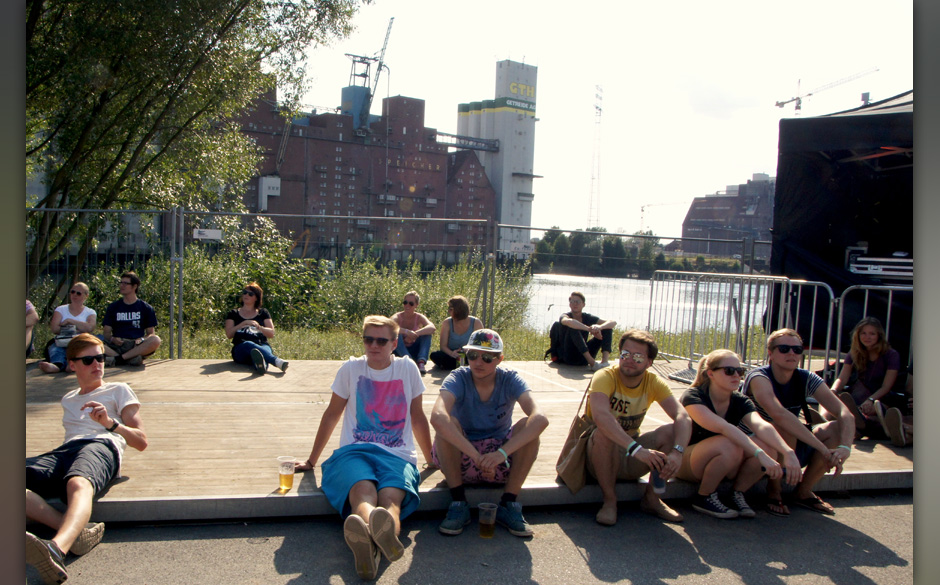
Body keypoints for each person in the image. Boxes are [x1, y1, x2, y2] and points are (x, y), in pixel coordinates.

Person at [294, 315, 432, 580]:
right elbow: (332, 414)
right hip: (355, 451)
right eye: (368, 339)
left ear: (394, 344)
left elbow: (417, 417)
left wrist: (431, 458)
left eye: (381, 340)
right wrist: (312, 461)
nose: (374, 345)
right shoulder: (351, 369)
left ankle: (371, 541)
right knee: (363, 491)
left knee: (392, 498)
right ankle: (383, 536)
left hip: (397, 453)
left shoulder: (408, 369)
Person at [26, 333, 148, 584]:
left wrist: (110, 424)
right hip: (65, 450)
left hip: (102, 446)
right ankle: (76, 532)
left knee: (78, 483)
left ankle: (56, 549)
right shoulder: (68, 399)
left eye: (101, 358)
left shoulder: (119, 389)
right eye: (89, 360)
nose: (97, 364)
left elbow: (141, 441)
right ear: (72, 364)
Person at [430, 328, 549, 537]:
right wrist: (477, 457)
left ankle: (509, 503)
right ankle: (459, 502)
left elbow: (541, 418)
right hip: (463, 455)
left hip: (499, 457)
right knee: (447, 424)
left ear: (499, 359)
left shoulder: (510, 379)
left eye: (487, 357)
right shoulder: (458, 377)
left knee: (528, 427)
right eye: (473, 355)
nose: (478, 362)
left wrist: (499, 455)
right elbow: (437, 416)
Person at [742, 328, 855, 516]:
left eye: (797, 349)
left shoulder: (806, 377)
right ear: (770, 353)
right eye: (784, 349)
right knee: (784, 426)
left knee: (835, 428)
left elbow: (844, 412)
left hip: (790, 445)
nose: (792, 353)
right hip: (759, 446)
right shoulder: (758, 377)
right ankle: (774, 489)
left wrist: (845, 448)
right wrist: (823, 449)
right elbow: (778, 414)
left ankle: (803, 491)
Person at [678, 350, 802, 519]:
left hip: (724, 460)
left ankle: (737, 494)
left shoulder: (739, 400)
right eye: (729, 371)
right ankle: (704, 496)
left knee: (768, 446)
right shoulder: (693, 396)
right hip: (685, 461)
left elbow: (761, 425)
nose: (736, 375)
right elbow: (723, 428)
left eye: (740, 371)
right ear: (711, 374)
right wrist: (760, 454)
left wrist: (787, 452)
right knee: (730, 444)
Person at [584, 329, 691, 526]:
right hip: (597, 456)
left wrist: (678, 452)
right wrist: (636, 449)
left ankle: (652, 498)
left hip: (630, 456)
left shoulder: (653, 382)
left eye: (638, 357)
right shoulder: (605, 376)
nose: (630, 360)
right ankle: (609, 501)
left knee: (671, 431)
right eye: (625, 354)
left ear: (649, 362)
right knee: (604, 433)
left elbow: (682, 416)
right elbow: (601, 416)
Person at [830, 317, 903, 440]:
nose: (867, 337)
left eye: (872, 334)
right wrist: (832, 390)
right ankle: (826, 418)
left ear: (879, 335)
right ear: (858, 335)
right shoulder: (854, 353)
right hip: (860, 395)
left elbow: (886, 386)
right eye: (863, 333)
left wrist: (871, 399)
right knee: (830, 395)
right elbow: (842, 378)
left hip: (881, 396)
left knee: (877, 408)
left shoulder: (891, 355)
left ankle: (858, 423)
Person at [224, 282, 288, 374]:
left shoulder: (263, 313)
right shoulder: (233, 313)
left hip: (261, 344)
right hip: (241, 348)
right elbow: (229, 334)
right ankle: (276, 361)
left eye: (250, 294)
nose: (246, 295)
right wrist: (244, 323)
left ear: (256, 298)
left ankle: (261, 366)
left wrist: (260, 327)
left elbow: (271, 333)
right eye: (245, 292)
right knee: (248, 344)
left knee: (262, 353)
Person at [100, 271, 161, 366]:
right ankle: (127, 359)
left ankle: (119, 359)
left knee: (156, 340)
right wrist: (113, 339)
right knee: (92, 342)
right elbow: (106, 333)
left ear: (134, 286)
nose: (122, 285)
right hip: (116, 345)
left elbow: (150, 334)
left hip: (135, 346)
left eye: (126, 283)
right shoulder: (113, 307)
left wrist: (141, 339)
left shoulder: (146, 308)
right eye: (121, 282)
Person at [39, 282, 97, 374]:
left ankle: (71, 365)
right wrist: (78, 328)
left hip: (80, 342)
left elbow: (90, 328)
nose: (74, 295)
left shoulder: (90, 312)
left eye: (78, 293)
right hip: (62, 341)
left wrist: (71, 321)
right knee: (56, 349)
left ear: (86, 296)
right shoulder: (60, 309)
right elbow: (54, 329)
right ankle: (57, 365)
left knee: (83, 350)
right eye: (72, 292)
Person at [556, 291, 616, 371]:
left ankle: (604, 362)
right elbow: (569, 322)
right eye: (572, 302)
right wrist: (589, 329)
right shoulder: (565, 316)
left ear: (583, 305)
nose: (575, 304)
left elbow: (613, 322)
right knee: (573, 327)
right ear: (569, 304)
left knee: (607, 328)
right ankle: (593, 364)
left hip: (583, 357)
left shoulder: (587, 317)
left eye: (577, 301)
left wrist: (599, 327)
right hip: (568, 357)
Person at [428, 295, 483, 371]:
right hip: (452, 354)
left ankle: (460, 365)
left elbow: (481, 344)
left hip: (469, 354)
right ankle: (461, 365)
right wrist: (452, 353)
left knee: (479, 357)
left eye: (450, 309)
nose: (448, 311)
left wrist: (469, 350)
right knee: (435, 355)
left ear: (458, 310)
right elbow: (443, 346)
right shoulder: (447, 323)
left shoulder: (476, 323)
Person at [391, 290, 436, 376]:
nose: (407, 305)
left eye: (411, 303)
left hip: (414, 348)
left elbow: (432, 327)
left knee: (427, 334)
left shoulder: (419, 317)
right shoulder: (398, 316)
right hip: (400, 352)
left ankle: (421, 362)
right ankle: (409, 361)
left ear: (416, 305)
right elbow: (388, 326)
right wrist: (407, 332)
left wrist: (415, 334)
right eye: (405, 302)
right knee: (396, 333)